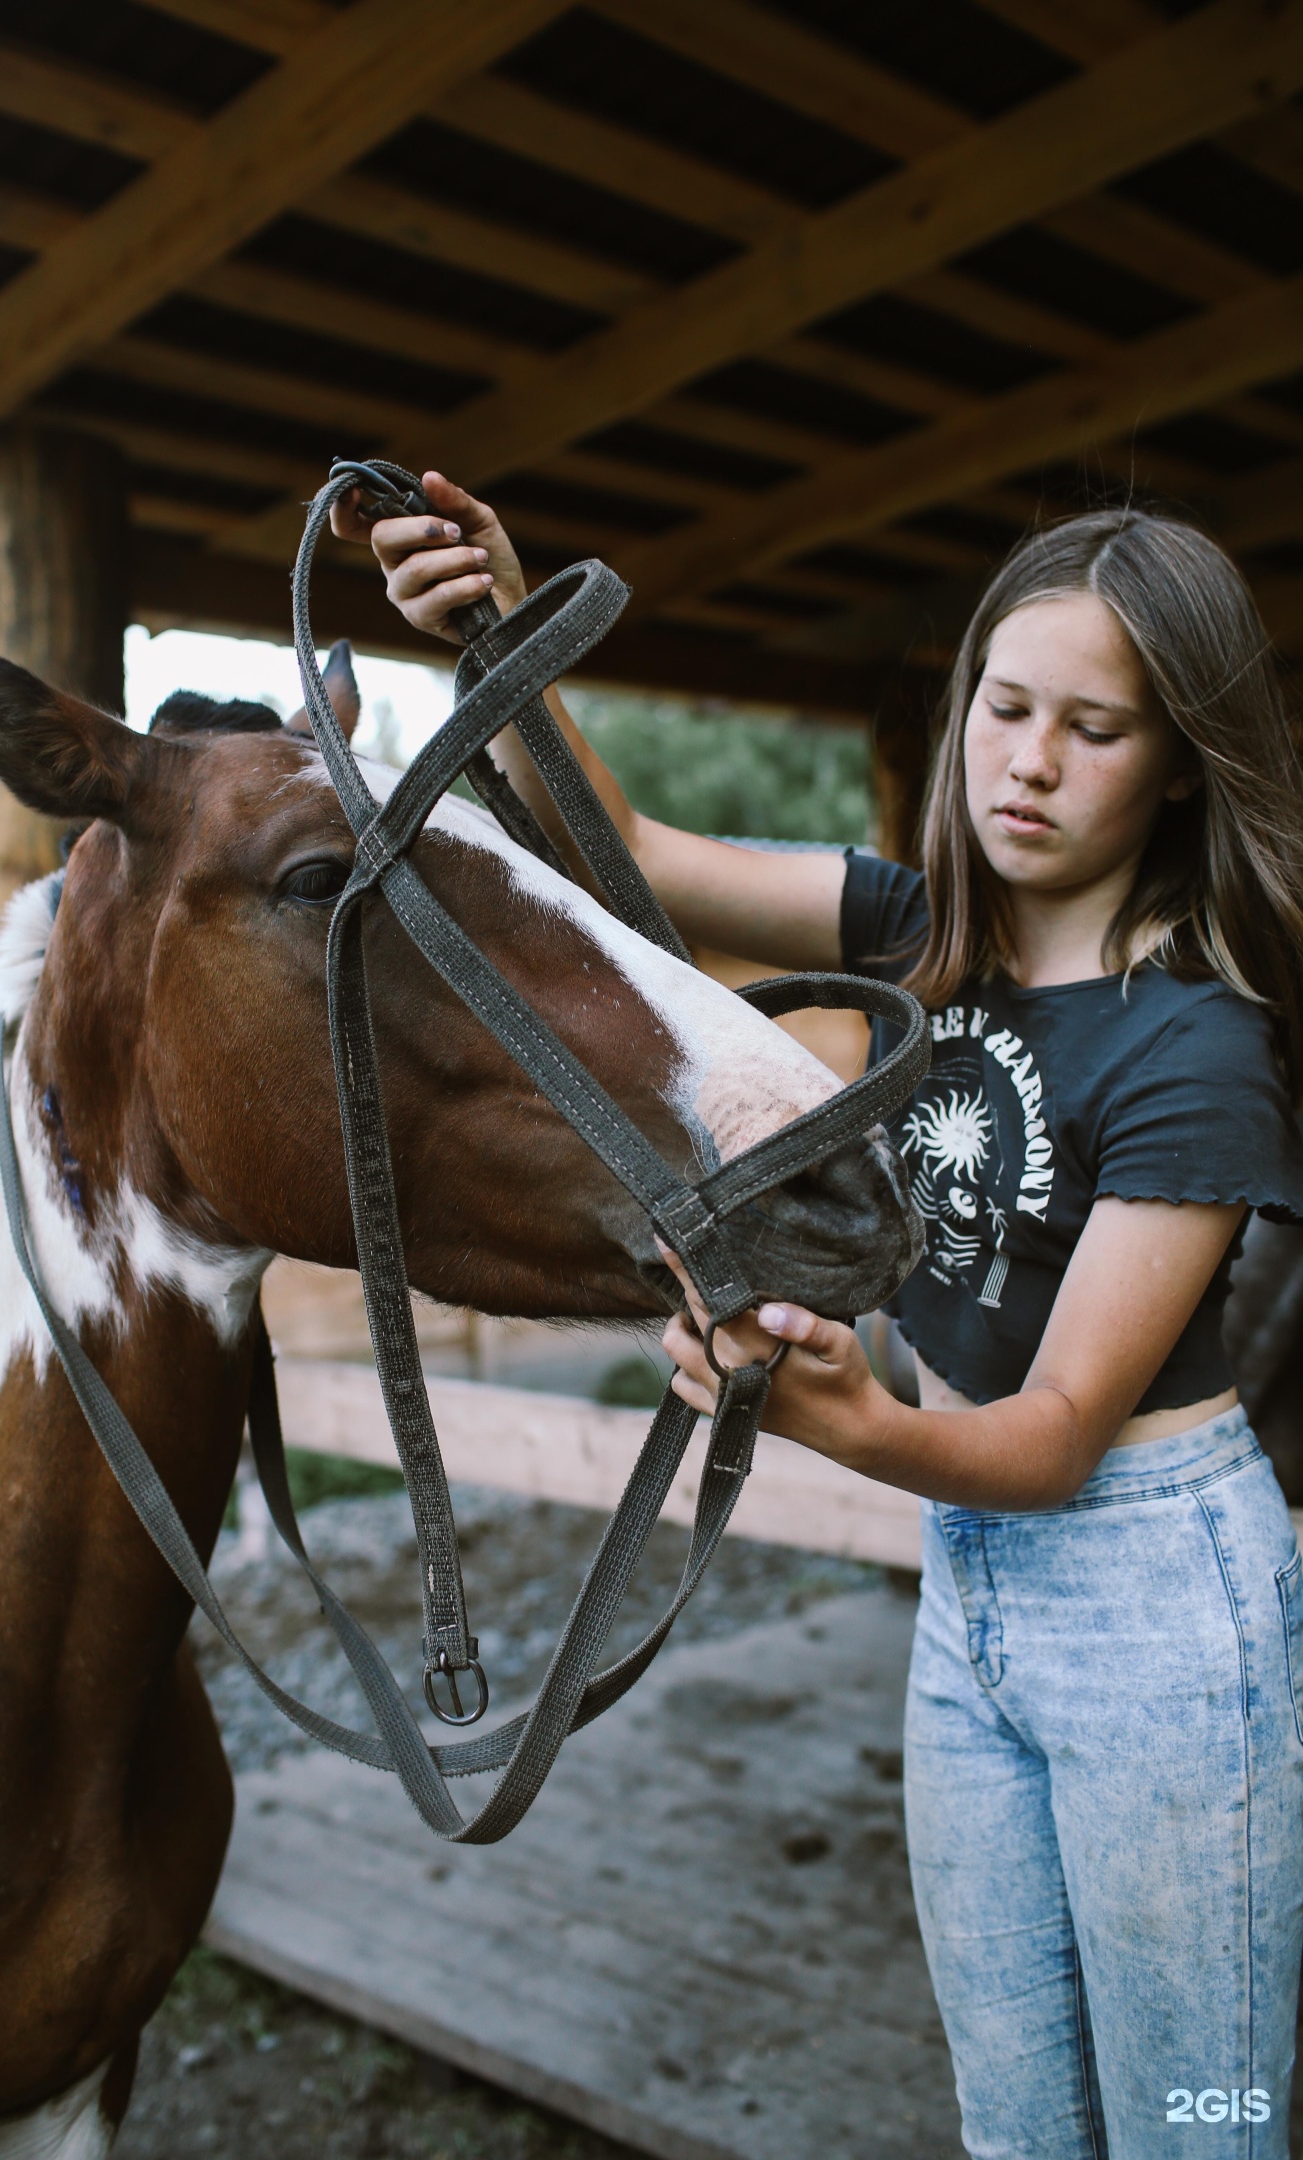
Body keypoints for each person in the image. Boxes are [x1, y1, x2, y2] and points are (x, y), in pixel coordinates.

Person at [334, 475, 1303, 2158]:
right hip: (974, 1590)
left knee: (1199, 2126)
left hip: (1157, 1596)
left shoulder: (1195, 1050)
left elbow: (1058, 1431)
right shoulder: (918, 937)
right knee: (1011, 2119)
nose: (1028, 763)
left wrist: (851, 1422)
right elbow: (620, 859)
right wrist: (498, 626)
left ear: (1178, 762)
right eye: (1005, 709)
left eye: (1093, 729)